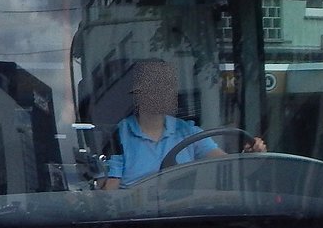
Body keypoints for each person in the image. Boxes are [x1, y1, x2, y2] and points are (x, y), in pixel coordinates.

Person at [101, 60, 265, 189]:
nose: (163, 94)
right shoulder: (118, 134)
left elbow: (227, 167)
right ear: (138, 94)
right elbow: (110, 193)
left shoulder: (188, 132)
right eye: (155, 87)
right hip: (136, 221)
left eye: (167, 88)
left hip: (183, 217)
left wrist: (251, 157)